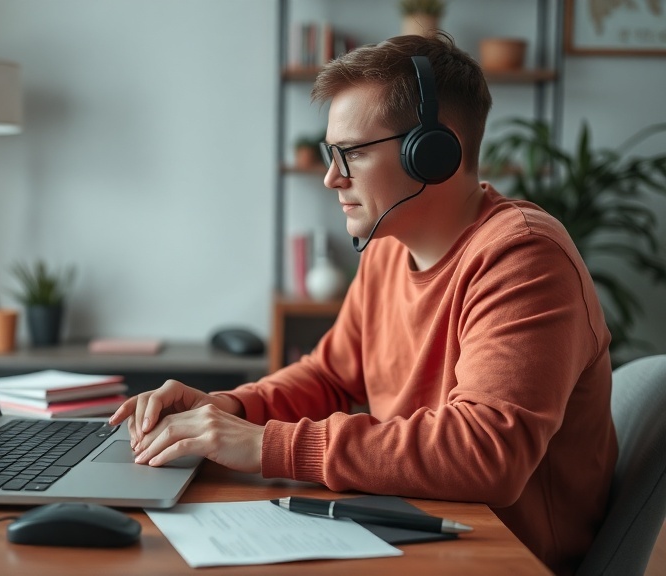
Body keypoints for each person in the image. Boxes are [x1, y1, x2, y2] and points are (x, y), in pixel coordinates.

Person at [109, 33, 616, 576]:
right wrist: (229, 410)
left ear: (435, 153)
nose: (332, 177)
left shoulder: (521, 256)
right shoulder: (387, 250)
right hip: (422, 531)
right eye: (332, 154)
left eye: (350, 153)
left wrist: (268, 445)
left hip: (504, 557)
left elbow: (485, 453)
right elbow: (328, 376)